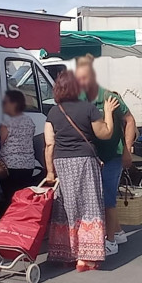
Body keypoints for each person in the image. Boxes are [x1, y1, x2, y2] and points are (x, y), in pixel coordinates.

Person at [44, 70, 119, 272]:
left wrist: (50, 172)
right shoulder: (88, 108)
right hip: (85, 161)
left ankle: (67, 253)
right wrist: (108, 112)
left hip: (62, 163)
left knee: (66, 208)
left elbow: (49, 144)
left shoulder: (53, 112)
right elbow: (105, 133)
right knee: (89, 206)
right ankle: (86, 258)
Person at [75, 55, 137, 256]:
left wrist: (127, 149)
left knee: (107, 197)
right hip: (92, 157)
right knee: (98, 197)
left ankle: (110, 242)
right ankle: (117, 232)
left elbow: (130, 121)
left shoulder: (110, 98)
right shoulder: (78, 99)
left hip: (112, 155)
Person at [0, 90, 37, 202]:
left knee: (10, 199)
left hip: (9, 166)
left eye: (5, 102)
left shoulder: (6, 122)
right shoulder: (29, 121)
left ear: (14, 104)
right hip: (28, 165)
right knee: (23, 199)